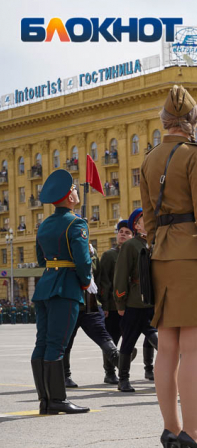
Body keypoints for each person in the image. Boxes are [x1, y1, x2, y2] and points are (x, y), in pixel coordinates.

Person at [139, 85, 197, 448]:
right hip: (193, 256)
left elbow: (149, 219)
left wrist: (161, 246)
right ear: (192, 121)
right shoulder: (196, 155)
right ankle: (192, 433)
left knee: (167, 349)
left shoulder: (148, 159)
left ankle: (170, 430)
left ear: (163, 122)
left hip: (161, 256)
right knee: (194, 351)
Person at [30, 169, 90, 415]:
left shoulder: (44, 224)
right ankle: (57, 400)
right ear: (70, 197)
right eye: (74, 190)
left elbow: (40, 260)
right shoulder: (76, 223)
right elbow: (83, 261)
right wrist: (85, 281)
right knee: (57, 344)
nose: (76, 192)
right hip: (66, 287)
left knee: (42, 342)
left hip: (45, 286)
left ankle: (45, 399)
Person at [63, 240, 123, 387]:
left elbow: (99, 276)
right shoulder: (64, 249)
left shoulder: (92, 250)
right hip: (70, 301)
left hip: (90, 302)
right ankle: (64, 376)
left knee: (102, 333)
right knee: (66, 341)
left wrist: (103, 302)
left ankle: (118, 361)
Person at [114, 208, 159, 392]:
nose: (149, 223)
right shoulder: (131, 245)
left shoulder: (157, 244)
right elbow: (121, 275)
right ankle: (123, 378)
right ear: (137, 226)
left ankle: (161, 371)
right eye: (144, 220)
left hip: (153, 301)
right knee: (128, 341)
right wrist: (120, 302)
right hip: (134, 301)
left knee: (157, 338)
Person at [99, 219, 134, 383]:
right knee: (112, 339)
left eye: (127, 233)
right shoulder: (109, 255)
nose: (123, 235)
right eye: (121, 232)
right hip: (113, 307)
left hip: (131, 305)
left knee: (127, 339)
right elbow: (103, 282)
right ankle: (109, 372)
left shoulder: (135, 253)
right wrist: (105, 305)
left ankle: (124, 371)